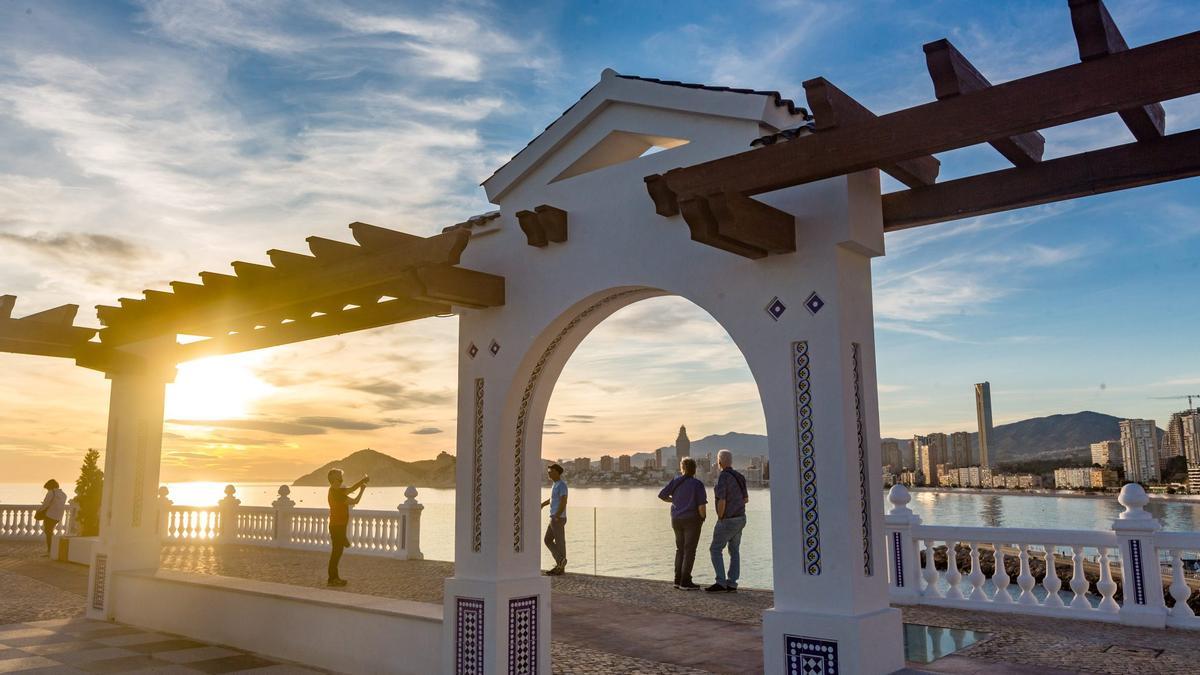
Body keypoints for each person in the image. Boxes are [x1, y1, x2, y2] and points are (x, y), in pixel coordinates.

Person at [658, 457, 707, 590]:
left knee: (680, 550)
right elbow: (702, 506)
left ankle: (677, 579)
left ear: (682, 468)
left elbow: (662, 495)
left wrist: (675, 502)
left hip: (676, 519)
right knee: (689, 551)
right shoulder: (698, 484)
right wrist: (703, 518)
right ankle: (685, 581)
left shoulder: (676, 481)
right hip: (692, 520)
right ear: (694, 469)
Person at [707, 449, 749, 592]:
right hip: (741, 518)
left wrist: (720, 517)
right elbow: (746, 499)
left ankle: (720, 582)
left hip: (728, 519)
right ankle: (732, 583)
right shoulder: (740, 476)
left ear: (719, 462)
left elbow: (722, 500)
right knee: (734, 550)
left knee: (715, 549)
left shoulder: (723, 477)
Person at [326, 469, 368, 587]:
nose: (342, 480)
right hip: (337, 527)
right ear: (334, 480)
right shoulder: (337, 493)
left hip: (340, 526)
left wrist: (362, 481)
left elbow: (351, 489)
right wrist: (362, 490)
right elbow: (355, 500)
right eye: (340, 478)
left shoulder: (337, 491)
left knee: (338, 551)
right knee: (336, 552)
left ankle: (335, 578)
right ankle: (332, 579)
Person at [540, 464, 568, 575]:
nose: (549, 473)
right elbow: (553, 499)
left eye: (551, 471)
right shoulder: (555, 484)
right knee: (547, 540)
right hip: (554, 517)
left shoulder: (562, 485)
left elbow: (563, 501)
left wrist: (557, 515)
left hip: (558, 518)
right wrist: (543, 504)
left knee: (560, 543)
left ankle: (560, 565)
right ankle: (560, 563)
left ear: (557, 472)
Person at [38, 479, 68, 557]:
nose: (47, 490)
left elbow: (46, 504)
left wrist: (39, 511)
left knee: (48, 532)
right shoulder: (63, 494)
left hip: (50, 515)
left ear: (50, 486)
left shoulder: (51, 492)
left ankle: (50, 551)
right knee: (50, 531)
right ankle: (53, 548)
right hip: (58, 516)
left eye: (47, 488)